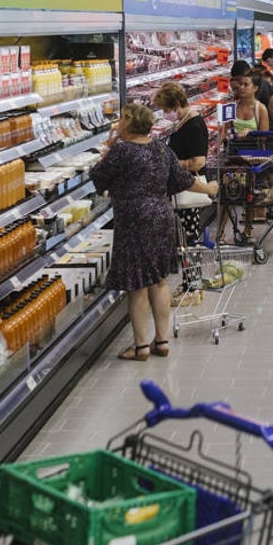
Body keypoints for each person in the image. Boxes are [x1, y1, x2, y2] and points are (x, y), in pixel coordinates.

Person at [88, 104, 219, 361]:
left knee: (137, 286)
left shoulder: (122, 150)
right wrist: (210, 189)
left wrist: (112, 142)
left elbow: (98, 178)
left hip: (134, 220)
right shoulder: (161, 148)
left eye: (121, 119)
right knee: (159, 281)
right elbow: (183, 180)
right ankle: (161, 340)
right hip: (162, 217)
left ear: (128, 123)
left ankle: (140, 347)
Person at [152, 81, 211, 260]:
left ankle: (192, 275)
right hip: (179, 187)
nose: (165, 114)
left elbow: (199, 162)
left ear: (176, 105)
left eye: (166, 109)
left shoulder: (194, 125)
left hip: (188, 187)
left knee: (189, 234)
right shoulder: (182, 122)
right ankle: (188, 268)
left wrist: (174, 164)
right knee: (183, 232)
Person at [220, 61, 271, 243]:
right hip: (233, 156)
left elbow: (265, 136)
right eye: (240, 84)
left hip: (253, 158)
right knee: (226, 194)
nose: (241, 88)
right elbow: (224, 131)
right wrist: (226, 135)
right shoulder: (231, 107)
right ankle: (221, 233)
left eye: (245, 85)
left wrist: (250, 133)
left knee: (249, 195)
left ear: (255, 88)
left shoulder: (260, 109)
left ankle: (248, 229)